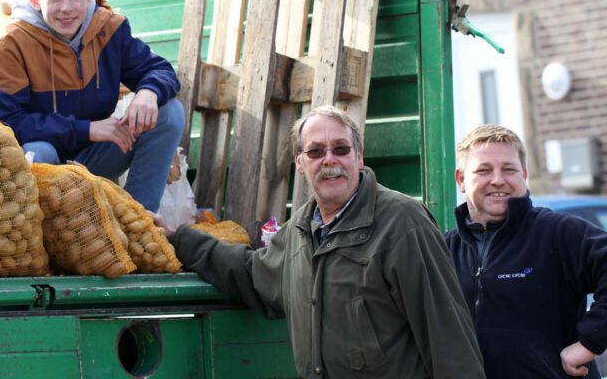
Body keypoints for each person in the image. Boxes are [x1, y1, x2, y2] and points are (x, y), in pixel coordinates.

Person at [166, 105, 485, 378]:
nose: (329, 160)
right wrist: (180, 239)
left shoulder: (403, 223)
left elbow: (449, 339)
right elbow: (250, 273)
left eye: (341, 149)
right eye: (316, 151)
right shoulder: (298, 233)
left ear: (359, 157)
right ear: (300, 165)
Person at [0, 0, 183, 212]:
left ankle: (140, 219)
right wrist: (87, 129)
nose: (66, 8)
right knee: (38, 151)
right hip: (48, 165)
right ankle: (44, 235)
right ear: (36, 0)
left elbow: (160, 69)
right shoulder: (12, 42)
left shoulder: (109, 29)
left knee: (169, 111)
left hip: (96, 157)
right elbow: (8, 122)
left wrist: (148, 92)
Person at [445, 124, 607, 378]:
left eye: (509, 169)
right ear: (461, 179)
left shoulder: (555, 232)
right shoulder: (444, 250)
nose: (498, 180)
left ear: (524, 174)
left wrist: (590, 342)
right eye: (483, 170)